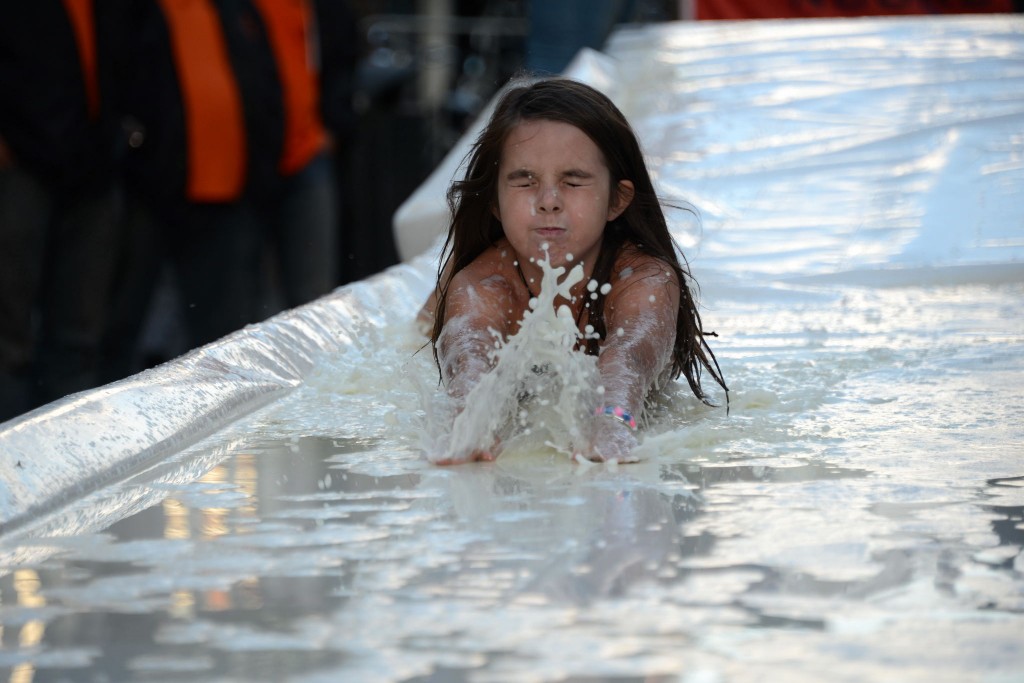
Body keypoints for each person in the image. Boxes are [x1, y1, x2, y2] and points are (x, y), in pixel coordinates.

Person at [423, 78, 727, 464]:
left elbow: (629, 355)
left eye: (573, 180)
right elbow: (469, 351)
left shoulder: (645, 279)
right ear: (495, 204)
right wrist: (466, 422)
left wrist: (613, 421)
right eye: (525, 181)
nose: (548, 201)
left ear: (617, 200)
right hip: (480, 273)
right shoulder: (483, 285)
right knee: (446, 301)